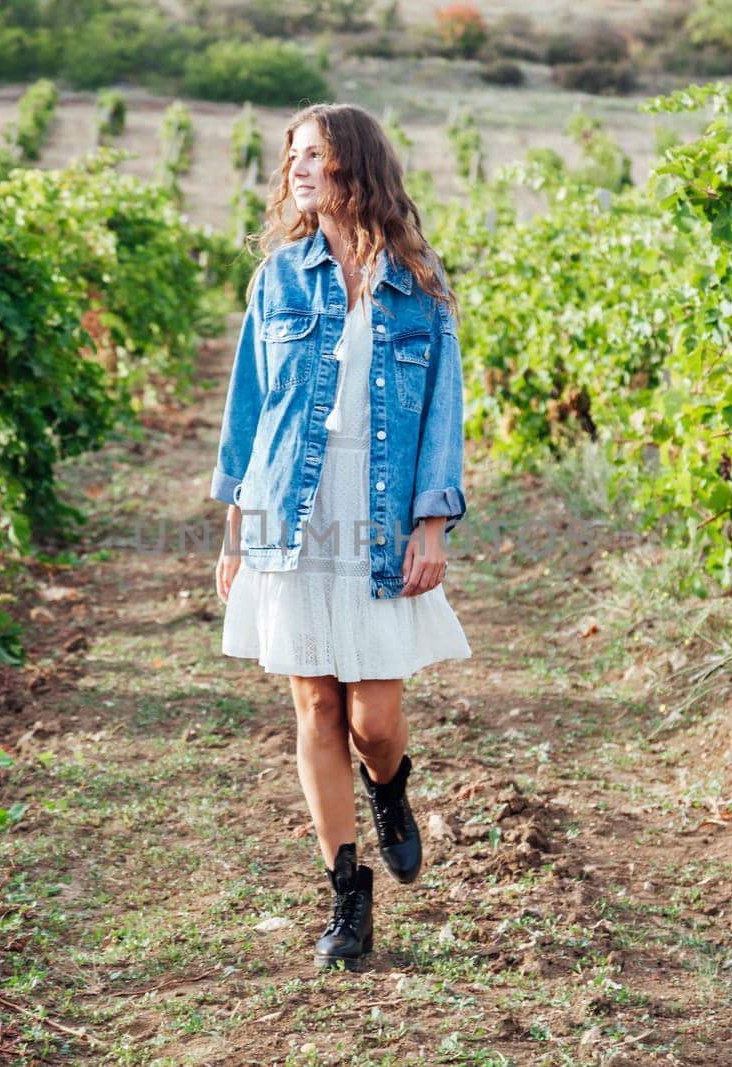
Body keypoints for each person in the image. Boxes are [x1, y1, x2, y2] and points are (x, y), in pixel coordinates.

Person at [209, 103, 473, 971]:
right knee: (315, 705)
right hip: (291, 511)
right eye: (292, 157)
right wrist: (234, 528)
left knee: (374, 719)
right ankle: (346, 897)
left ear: (354, 165)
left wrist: (431, 522)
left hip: (380, 513)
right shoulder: (278, 279)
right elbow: (247, 409)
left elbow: (442, 413)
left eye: (314, 155)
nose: (298, 170)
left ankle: (390, 790)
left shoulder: (418, 280)